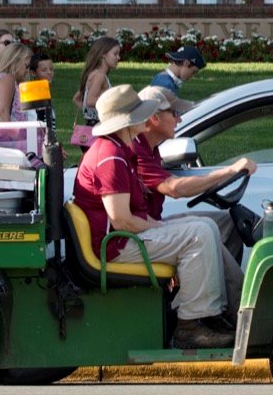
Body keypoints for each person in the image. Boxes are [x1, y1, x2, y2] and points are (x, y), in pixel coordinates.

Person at [71, 84, 235, 350]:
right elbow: (121, 219)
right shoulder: (110, 157)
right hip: (115, 245)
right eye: (139, 114)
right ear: (129, 121)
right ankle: (190, 327)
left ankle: (211, 316)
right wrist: (157, 226)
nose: (145, 119)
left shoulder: (119, 151)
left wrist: (157, 226)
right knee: (199, 233)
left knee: (205, 225)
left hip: (119, 239)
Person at [132, 89, 254, 291]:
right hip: (141, 230)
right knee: (205, 232)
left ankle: (217, 295)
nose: (179, 121)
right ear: (154, 118)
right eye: (175, 114)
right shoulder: (137, 150)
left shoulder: (151, 148)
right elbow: (175, 189)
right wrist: (230, 170)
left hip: (151, 224)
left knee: (229, 222)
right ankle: (238, 305)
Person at [72, 35, 122, 151]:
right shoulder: (100, 76)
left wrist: (90, 114)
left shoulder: (92, 74)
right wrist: (114, 104)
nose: (118, 57)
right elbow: (90, 101)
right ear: (103, 54)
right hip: (99, 131)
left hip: (89, 129)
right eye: (115, 54)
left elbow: (77, 98)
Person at [0, 39, 32, 122]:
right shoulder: (7, 79)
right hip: (3, 134)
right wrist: (10, 133)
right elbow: (2, 112)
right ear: (15, 62)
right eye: (27, 65)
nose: (28, 70)